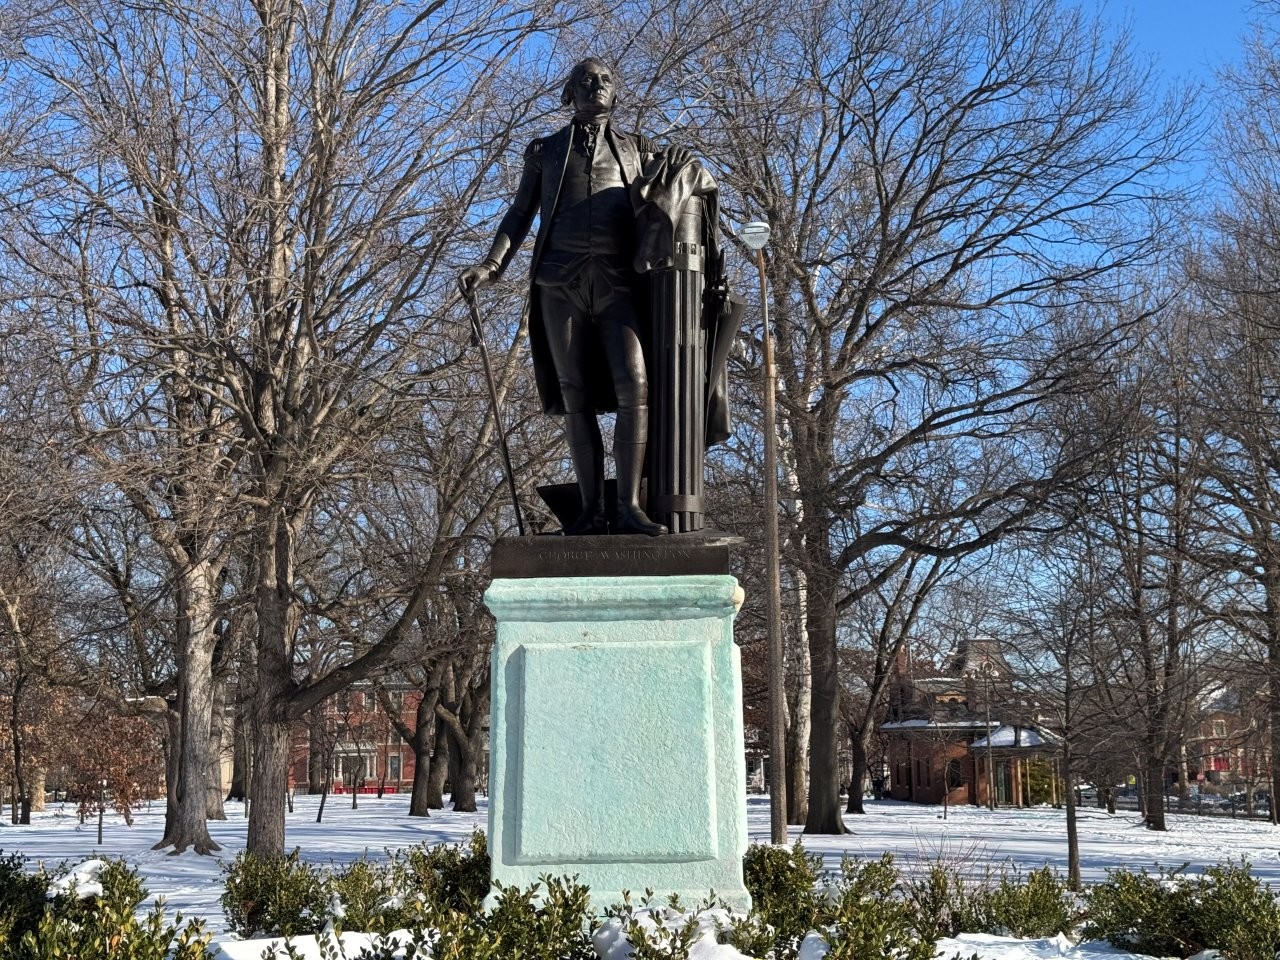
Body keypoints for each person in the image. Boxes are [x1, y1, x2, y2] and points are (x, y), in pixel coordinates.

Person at [459, 57, 692, 536]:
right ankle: (590, 510)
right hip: (559, 282)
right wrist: (492, 264)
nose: (596, 86)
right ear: (569, 92)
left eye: (606, 79)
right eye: (586, 80)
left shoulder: (637, 150)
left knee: (635, 385)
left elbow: (678, 184)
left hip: (618, 282)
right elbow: (520, 213)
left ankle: (627, 506)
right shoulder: (544, 151)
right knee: (575, 394)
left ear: (616, 92)